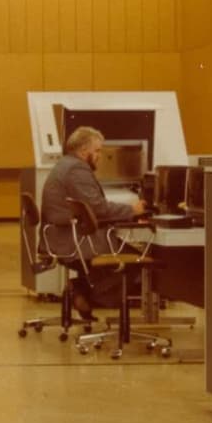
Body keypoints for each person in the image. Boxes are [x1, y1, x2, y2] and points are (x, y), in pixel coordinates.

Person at [40, 125, 146, 320]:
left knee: (117, 262)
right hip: (76, 241)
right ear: (83, 151)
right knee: (139, 261)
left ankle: (82, 291)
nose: (99, 155)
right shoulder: (77, 170)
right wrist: (132, 210)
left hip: (63, 237)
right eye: (97, 150)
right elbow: (98, 208)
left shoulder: (65, 165)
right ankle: (82, 291)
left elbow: (92, 207)